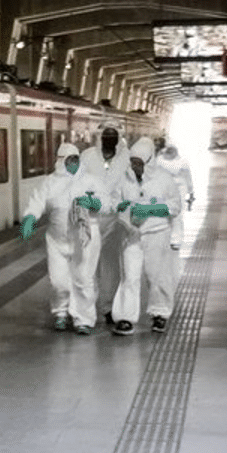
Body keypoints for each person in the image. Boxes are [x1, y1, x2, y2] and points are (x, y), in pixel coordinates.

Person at [20, 143, 113, 335]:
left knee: (83, 279)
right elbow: (37, 202)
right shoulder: (50, 182)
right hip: (57, 240)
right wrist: (30, 218)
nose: (72, 163)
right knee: (58, 281)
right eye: (68, 160)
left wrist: (94, 203)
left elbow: (107, 204)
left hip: (85, 238)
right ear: (60, 161)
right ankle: (60, 312)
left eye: (75, 159)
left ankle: (83, 319)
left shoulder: (91, 181)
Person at [108, 137, 181, 335]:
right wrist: (125, 215)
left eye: (139, 163)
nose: (135, 166)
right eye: (133, 162)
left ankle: (160, 314)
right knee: (129, 277)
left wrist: (152, 208)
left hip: (157, 234)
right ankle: (125, 318)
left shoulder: (164, 179)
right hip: (131, 235)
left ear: (149, 161)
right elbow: (115, 201)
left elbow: (175, 206)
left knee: (156, 275)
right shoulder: (124, 179)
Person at [80, 125, 132, 324]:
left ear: (119, 138)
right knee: (86, 265)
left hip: (115, 218)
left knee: (110, 265)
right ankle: (86, 310)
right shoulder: (87, 156)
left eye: (113, 136)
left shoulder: (126, 157)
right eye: (106, 136)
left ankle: (108, 307)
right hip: (91, 218)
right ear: (100, 138)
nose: (109, 139)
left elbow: (132, 184)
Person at [155, 140, 194, 250]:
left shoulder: (180, 162)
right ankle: (170, 239)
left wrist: (191, 192)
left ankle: (175, 239)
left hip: (177, 189)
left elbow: (188, 177)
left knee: (176, 214)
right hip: (165, 189)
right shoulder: (160, 161)